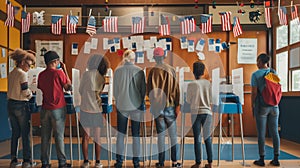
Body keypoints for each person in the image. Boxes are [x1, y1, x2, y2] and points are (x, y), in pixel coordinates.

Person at [147, 47, 181, 168]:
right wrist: (178, 105)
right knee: (173, 136)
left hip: (158, 108)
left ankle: (161, 162)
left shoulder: (152, 71)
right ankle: (175, 162)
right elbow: (177, 90)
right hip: (170, 106)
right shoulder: (171, 70)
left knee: (160, 136)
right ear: (164, 56)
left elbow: (149, 91)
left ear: (155, 58)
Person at [37, 51, 72, 168]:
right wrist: (65, 70)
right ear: (55, 61)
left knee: (45, 137)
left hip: (45, 108)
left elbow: (40, 87)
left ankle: (45, 163)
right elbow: (68, 87)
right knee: (59, 137)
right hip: (58, 108)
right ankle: (62, 162)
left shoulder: (41, 75)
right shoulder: (59, 73)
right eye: (58, 61)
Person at [113, 50, 146, 168]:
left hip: (122, 105)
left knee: (121, 134)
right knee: (136, 134)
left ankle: (119, 161)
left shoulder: (117, 71)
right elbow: (143, 91)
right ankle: (136, 162)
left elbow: (115, 91)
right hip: (136, 106)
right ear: (134, 59)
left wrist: (118, 100)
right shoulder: (139, 71)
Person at [79, 54, 110, 168]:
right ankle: (98, 162)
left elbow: (80, 90)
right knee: (97, 137)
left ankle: (86, 161)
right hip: (97, 110)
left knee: (86, 137)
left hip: (85, 109)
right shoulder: (101, 77)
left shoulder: (85, 74)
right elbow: (100, 92)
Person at [7, 49, 35, 168]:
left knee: (15, 133)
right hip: (21, 105)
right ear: (22, 62)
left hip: (10, 104)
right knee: (25, 133)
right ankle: (27, 161)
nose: (29, 68)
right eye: (29, 65)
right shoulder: (22, 74)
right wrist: (31, 94)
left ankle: (13, 160)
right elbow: (24, 91)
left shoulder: (12, 72)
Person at [251, 53, 280, 167]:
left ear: (260, 62)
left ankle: (261, 159)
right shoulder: (274, 72)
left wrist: (253, 105)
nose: (256, 63)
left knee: (261, 133)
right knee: (274, 132)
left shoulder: (255, 74)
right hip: (275, 106)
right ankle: (276, 158)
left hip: (262, 106)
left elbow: (254, 93)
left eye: (257, 61)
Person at [186, 62, 213, 168]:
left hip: (196, 113)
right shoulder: (208, 83)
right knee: (207, 138)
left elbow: (188, 100)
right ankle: (210, 162)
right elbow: (211, 100)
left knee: (197, 138)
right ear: (203, 71)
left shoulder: (191, 84)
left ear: (193, 72)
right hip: (207, 113)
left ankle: (198, 162)